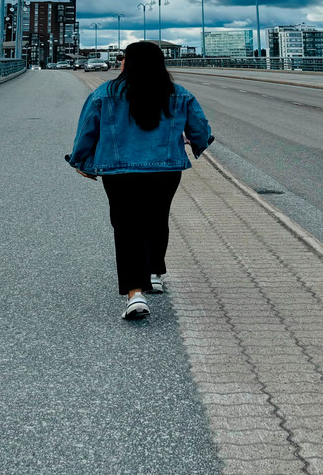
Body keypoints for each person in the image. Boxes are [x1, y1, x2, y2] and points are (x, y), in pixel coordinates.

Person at [66, 40, 214, 321]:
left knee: (126, 225)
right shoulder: (178, 93)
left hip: (119, 172)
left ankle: (135, 293)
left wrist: (80, 160)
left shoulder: (105, 93)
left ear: (127, 63)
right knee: (157, 218)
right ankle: (154, 273)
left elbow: (87, 129)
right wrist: (199, 142)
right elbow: (200, 131)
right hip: (166, 170)